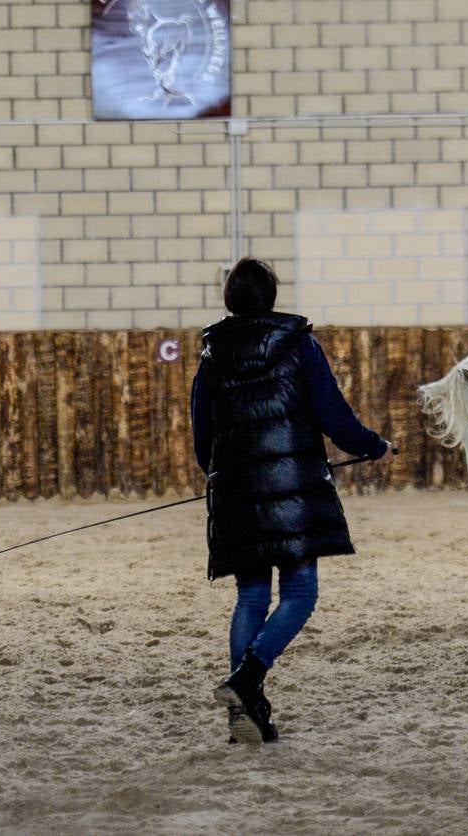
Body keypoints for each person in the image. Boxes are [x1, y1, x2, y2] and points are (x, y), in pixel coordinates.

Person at [190, 257, 392, 745]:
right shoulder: (300, 344)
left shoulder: (212, 354)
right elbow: (333, 415)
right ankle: (247, 679)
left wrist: (216, 472)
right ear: (272, 296)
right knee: (301, 594)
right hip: (294, 490)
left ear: (229, 299)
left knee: (251, 596)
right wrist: (374, 446)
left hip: (238, 493)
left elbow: (203, 430)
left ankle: (246, 713)